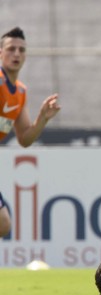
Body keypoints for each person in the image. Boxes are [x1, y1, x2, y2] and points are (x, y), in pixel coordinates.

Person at [0, 27, 61, 238]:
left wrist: (42, 118)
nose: (16, 54)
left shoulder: (20, 92)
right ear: (0, 53)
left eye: (21, 50)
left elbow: (25, 138)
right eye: (11, 49)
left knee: (3, 224)